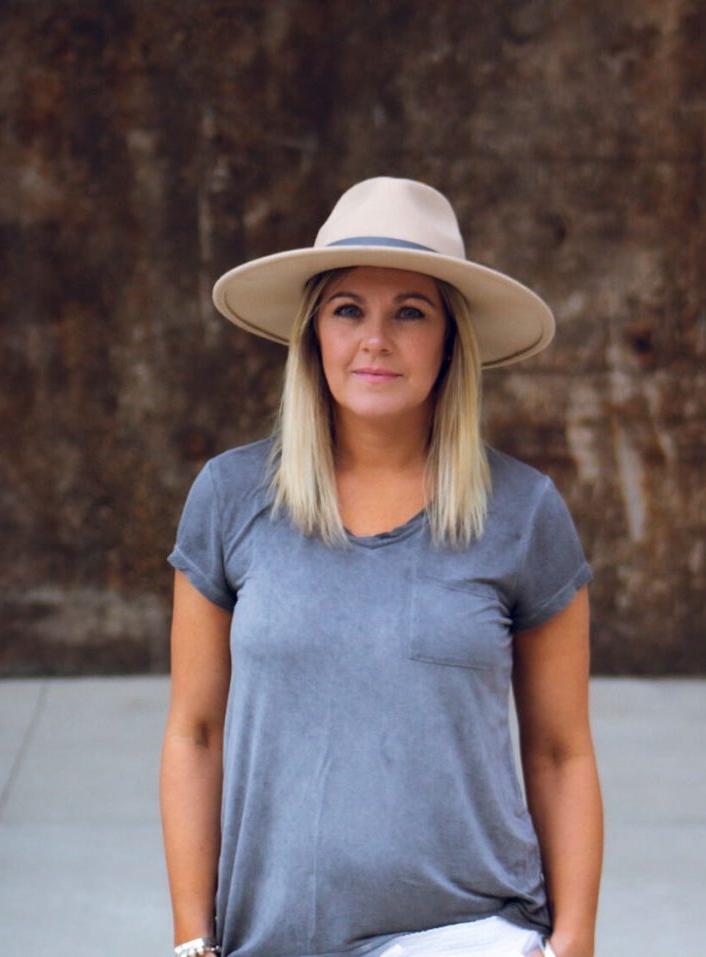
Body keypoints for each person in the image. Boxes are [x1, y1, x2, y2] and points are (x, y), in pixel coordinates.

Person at [161, 177, 602, 957]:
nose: (376, 339)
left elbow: (561, 751)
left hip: (470, 930)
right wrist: (191, 940)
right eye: (347, 309)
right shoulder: (230, 498)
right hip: (274, 937)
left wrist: (573, 943)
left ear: (450, 341)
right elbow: (195, 732)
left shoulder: (524, 513)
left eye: (410, 312)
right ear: (313, 336)